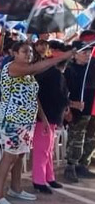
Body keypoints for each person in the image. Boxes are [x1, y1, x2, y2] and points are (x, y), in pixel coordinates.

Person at [0, 42, 74, 204]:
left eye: (30, 52)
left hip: (27, 120)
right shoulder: (12, 68)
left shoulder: (29, 74)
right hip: (13, 120)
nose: (28, 54)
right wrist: (61, 57)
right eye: (24, 51)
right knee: (9, 156)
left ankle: (16, 188)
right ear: (14, 53)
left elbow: (34, 97)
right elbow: (40, 66)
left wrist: (41, 118)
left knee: (20, 155)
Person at [32, 43, 69, 193]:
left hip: (51, 116)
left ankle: (48, 177)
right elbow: (57, 96)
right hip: (45, 116)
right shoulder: (52, 73)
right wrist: (69, 102)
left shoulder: (52, 72)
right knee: (43, 149)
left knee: (48, 149)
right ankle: (39, 180)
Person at [63, 41, 95, 183]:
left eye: (89, 52)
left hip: (91, 107)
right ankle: (71, 166)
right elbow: (62, 92)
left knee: (91, 138)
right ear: (75, 54)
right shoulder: (69, 69)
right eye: (84, 52)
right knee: (76, 138)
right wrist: (68, 106)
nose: (88, 55)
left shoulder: (91, 66)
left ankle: (83, 164)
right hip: (77, 109)